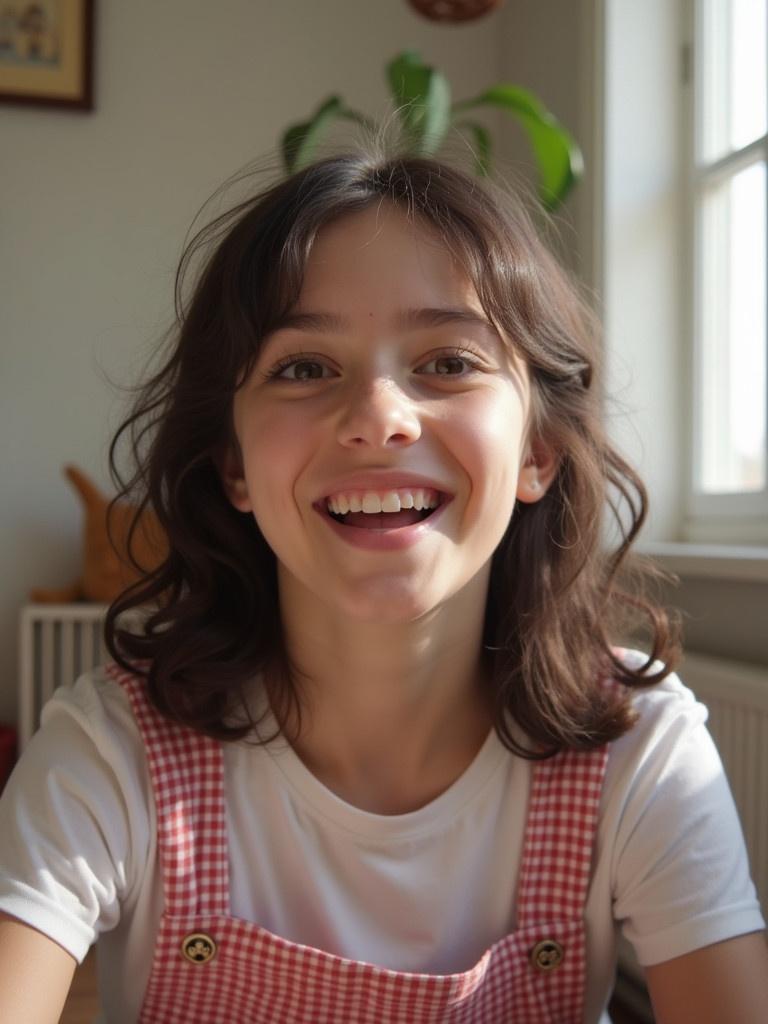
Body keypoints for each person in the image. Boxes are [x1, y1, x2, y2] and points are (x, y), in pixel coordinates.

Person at [0, 147, 765, 1024]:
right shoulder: (110, 755)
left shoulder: (639, 748)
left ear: (538, 451)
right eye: (302, 367)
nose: (378, 416)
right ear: (233, 465)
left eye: (448, 362)